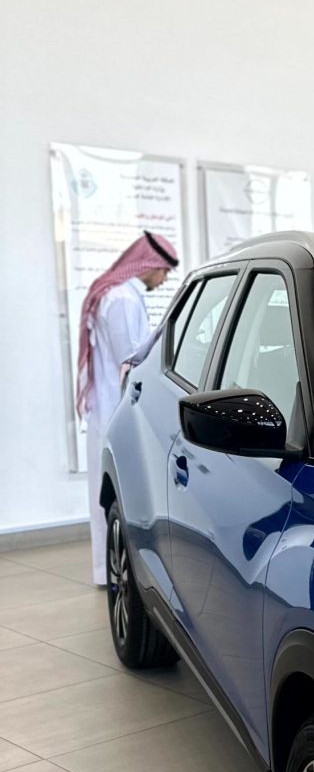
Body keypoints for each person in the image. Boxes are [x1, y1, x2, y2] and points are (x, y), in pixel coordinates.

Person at [76, 230, 178, 585]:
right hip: (115, 408)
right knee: (115, 494)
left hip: (111, 407)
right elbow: (129, 359)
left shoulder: (120, 295)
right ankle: (113, 572)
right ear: (148, 264)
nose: (163, 278)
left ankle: (111, 570)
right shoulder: (122, 299)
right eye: (164, 271)